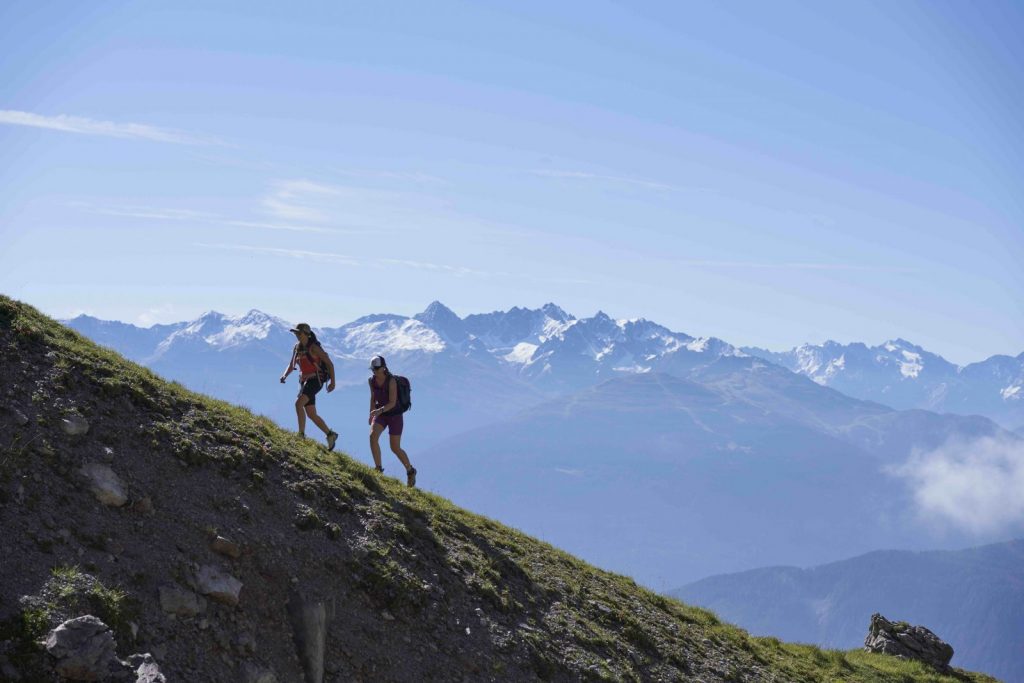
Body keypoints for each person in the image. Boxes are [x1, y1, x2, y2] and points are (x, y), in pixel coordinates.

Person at [280, 323, 338, 450]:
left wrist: (333, 382)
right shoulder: (297, 348)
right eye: (296, 333)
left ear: (307, 334)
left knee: (298, 404)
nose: (297, 336)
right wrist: (284, 376)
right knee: (311, 413)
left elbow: (329, 364)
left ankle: (301, 435)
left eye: (299, 333)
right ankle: (330, 434)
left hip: (315, 380)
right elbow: (291, 365)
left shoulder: (314, 348)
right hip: (304, 382)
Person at [368, 355, 417, 487]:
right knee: (373, 437)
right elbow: (373, 397)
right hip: (381, 414)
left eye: (377, 369)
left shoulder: (391, 382)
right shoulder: (371, 381)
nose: (375, 371)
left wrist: (378, 411)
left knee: (395, 447)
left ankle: (410, 470)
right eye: (373, 369)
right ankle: (378, 469)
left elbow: (392, 403)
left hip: (395, 416)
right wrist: (371, 413)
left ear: (383, 367)